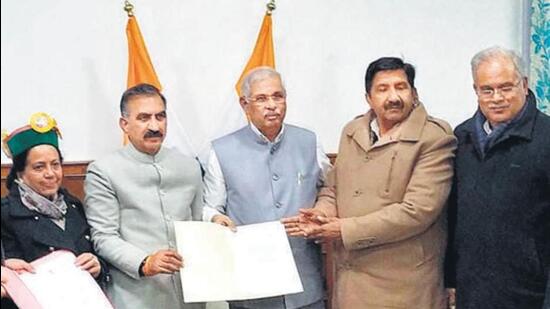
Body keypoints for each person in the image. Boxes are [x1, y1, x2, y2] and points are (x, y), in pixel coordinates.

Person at [284, 57, 457, 308]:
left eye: (401, 87)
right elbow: (333, 188)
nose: (394, 96)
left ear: (414, 93)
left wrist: (343, 230)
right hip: (351, 283)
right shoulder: (353, 131)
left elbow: (417, 211)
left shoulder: (434, 138)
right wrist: (321, 214)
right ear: (369, 98)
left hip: (403, 288)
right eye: (383, 89)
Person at [202, 67, 330, 309]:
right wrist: (216, 218)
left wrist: (322, 210)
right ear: (244, 104)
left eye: (278, 96)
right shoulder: (221, 150)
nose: (272, 105)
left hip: (305, 281)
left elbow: (329, 189)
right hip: (250, 284)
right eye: (261, 99)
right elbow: (210, 207)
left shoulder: (309, 141)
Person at [445, 46, 549, 308]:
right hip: (473, 290)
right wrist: (452, 279)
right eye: (487, 90)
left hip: (530, 293)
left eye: (506, 88)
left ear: (524, 85)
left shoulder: (546, 137)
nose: (497, 98)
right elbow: (453, 215)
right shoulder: (463, 138)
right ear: (476, 91)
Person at [84, 83, 204, 309]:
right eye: (144, 118)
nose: (154, 126)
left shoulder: (189, 167)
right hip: (136, 296)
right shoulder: (104, 171)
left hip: (191, 295)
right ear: (124, 124)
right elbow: (103, 237)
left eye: (160, 117)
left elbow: (197, 223)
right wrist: (145, 262)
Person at [0, 113, 107, 302]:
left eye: (55, 165)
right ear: (20, 173)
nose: (50, 174)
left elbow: (97, 255)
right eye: (39, 167)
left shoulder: (73, 205)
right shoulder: (5, 213)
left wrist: (98, 266)